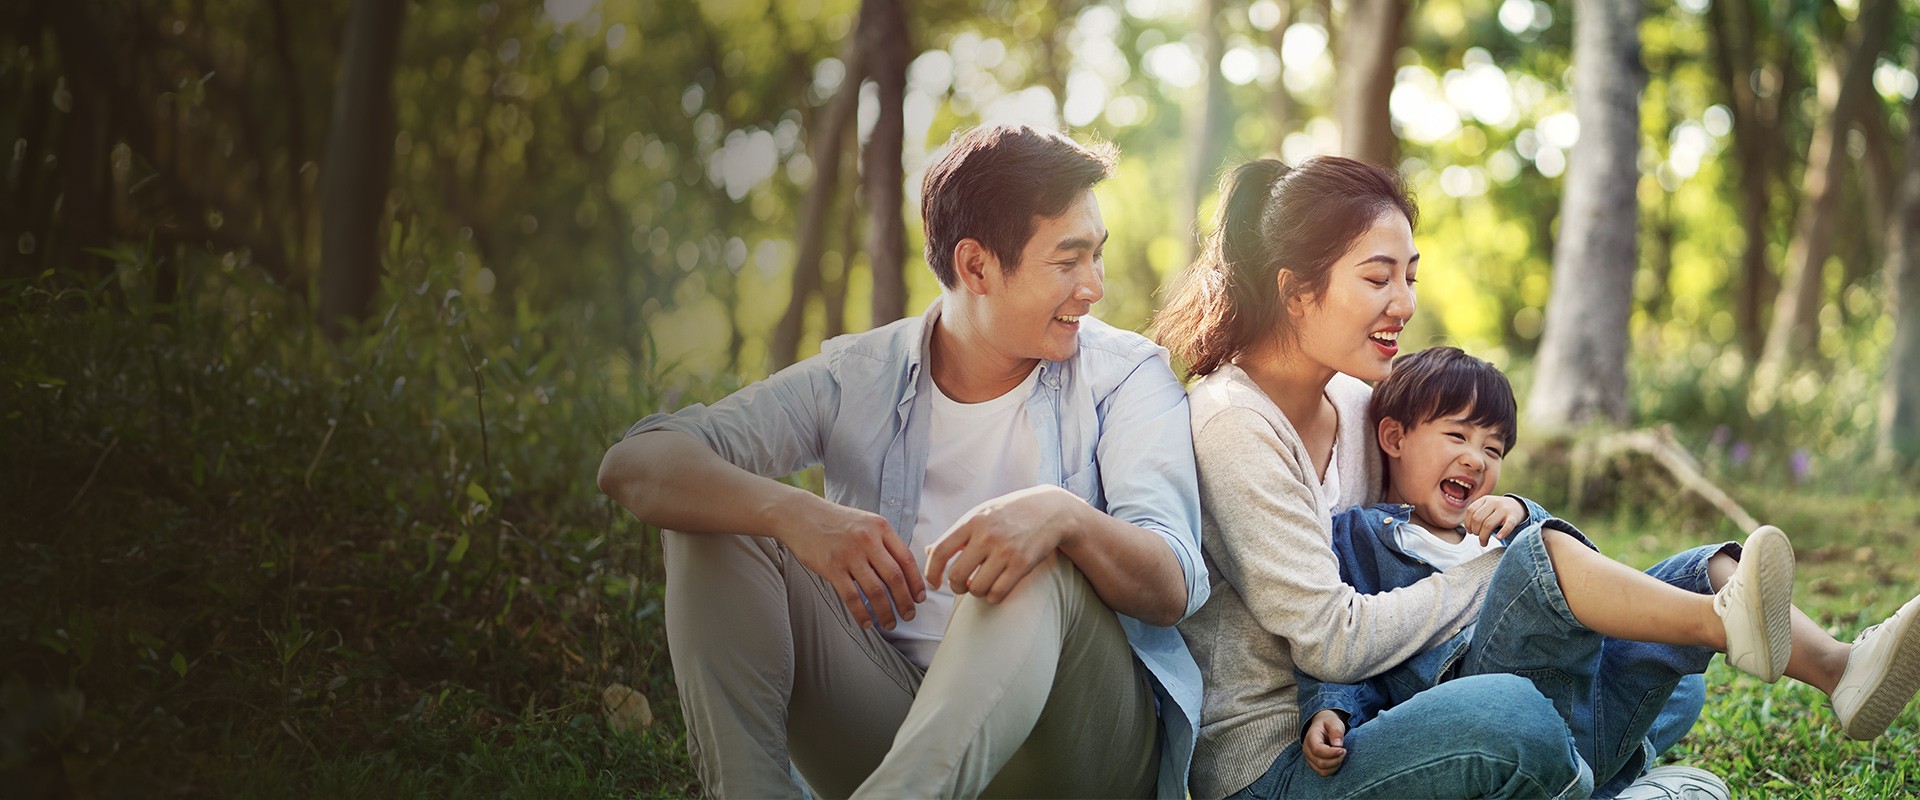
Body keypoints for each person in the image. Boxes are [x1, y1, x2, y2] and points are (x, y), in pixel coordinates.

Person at [597, 123, 1208, 799]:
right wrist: (796, 514)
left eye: (1096, 256)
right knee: (716, 518)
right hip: (893, 725)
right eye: (1068, 263)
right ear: (976, 266)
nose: (1094, 286)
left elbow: (1171, 582)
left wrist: (1061, 516)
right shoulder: (860, 376)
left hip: (1073, 749)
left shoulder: (1126, 378)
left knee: (1035, 554)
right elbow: (635, 463)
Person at [1150, 155, 1692, 800]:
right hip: (1288, 763)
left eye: (1408, 277)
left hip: (1395, 705)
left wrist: (1512, 522)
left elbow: (1424, 533)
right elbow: (1333, 639)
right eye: (1378, 279)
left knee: (1666, 668)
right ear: (1295, 293)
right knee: (1513, 716)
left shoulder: (1357, 403)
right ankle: (1607, 779)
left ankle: (1583, 767)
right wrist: (1508, 571)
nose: (1404, 304)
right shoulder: (1233, 423)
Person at [1293, 345, 1920, 790]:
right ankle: (1712, 648)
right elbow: (1346, 638)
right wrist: (1334, 707)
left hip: (1569, 706)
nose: (1477, 460)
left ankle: (1841, 669)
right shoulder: (1365, 535)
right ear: (1395, 438)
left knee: (1705, 571)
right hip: (1482, 704)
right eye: (1457, 437)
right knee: (1543, 558)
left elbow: (1584, 569)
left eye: (1493, 449)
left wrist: (1522, 511)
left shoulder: (1499, 522)